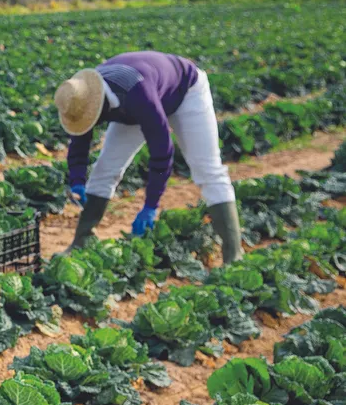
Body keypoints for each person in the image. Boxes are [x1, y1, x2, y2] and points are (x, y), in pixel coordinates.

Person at [55, 50, 242, 263]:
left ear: (99, 107)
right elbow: (79, 140)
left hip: (186, 91)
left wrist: (150, 205)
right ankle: (81, 242)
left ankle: (233, 255)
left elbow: (162, 150)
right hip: (143, 95)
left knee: (207, 170)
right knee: (105, 168)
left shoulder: (138, 95)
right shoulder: (83, 96)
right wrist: (77, 180)